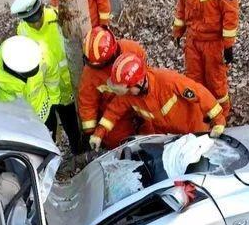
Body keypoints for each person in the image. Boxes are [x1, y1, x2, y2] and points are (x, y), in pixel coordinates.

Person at [89, 52, 226, 151]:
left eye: (128, 88)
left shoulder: (168, 81)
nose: (126, 93)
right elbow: (113, 111)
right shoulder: (129, 93)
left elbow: (200, 93)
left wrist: (218, 120)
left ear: (140, 82)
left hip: (194, 131)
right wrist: (99, 133)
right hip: (168, 137)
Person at [172, 0, 239, 117]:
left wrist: (228, 46)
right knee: (193, 83)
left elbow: (230, 13)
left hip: (213, 44)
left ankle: (221, 118)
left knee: (216, 85)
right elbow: (182, 4)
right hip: (193, 41)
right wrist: (178, 31)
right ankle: (198, 118)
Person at [11, 0, 81, 153]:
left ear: (41, 8)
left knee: (72, 126)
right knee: (48, 129)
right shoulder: (22, 31)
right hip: (44, 92)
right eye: (31, 21)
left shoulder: (57, 18)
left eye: (37, 17)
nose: (36, 23)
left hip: (66, 86)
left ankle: (78, 152)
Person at [78, 25, 146, 149]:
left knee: (152, 129)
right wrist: (90, 132)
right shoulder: (90, 74)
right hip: (113, 110)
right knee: (117, 142)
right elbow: (87, 102)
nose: (97, 68)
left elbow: (145, 76)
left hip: (137, 97)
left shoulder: (132, 50)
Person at [0, 35, 60, 130]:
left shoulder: (43, 54)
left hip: (42, 112)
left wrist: (53, 103)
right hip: (12, 120)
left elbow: (52, 80)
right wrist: (0, 118)